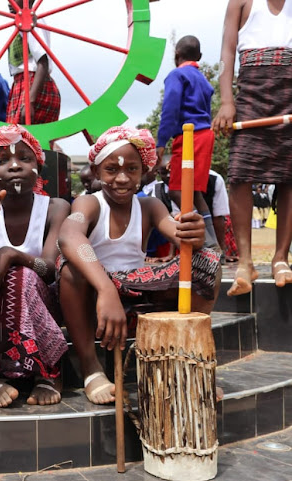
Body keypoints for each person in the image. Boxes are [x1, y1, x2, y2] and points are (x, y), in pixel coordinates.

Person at [58, 126, 220, 404]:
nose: (122, 178)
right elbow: (68, 235)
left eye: (131, 169)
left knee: (206, 261)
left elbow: (178, 234)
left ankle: (186, 356)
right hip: (96, 293)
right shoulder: (88, 203)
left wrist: (192, 234)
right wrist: (106, 290)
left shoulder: (150, 206)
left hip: (135, 287)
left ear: (143, 173)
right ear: (96, 173)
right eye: (111, 170)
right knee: (70, 269)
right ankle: (91, 368)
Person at [0, 125, 69, 407]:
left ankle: (46, 371)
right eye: (3, 160)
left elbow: (50, 268)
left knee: (20, 276)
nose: (14, 166)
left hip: (41, 300)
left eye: (25, 159)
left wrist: (12, 255)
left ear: (39, 167)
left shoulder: (55, 207)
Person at [212, 0, 292, 292]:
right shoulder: (241, 2)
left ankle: (281, 257)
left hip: (290, 94)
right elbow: (227, 52)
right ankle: (245, 261)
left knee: (289, 176)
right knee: (240, 173)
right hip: (250, 96)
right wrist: (227, 101)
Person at [156, 35, 218, 248]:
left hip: (190, 135)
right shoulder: (203, 80)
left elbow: (170, 110)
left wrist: (161, 142)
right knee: (194, 191)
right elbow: (207, 113)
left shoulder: (177, 75)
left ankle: (203, 241)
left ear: (176, 55)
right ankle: (212, 241)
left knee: (176, 190)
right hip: (206, 134)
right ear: (199, 56)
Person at [6, 1, 60, 125]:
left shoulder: (31, 22)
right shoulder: (20, 25)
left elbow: (43, 61)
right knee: (16, 137)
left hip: (33, 85)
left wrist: (30, 101)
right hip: (23, 84)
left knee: (23, 137)